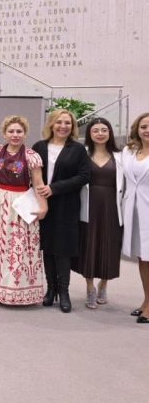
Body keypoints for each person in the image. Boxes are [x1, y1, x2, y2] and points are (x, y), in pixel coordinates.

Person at [0, 116, 47, 306]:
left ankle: (17, 291)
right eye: (11, 131)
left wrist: (43, 206)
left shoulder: (31, 156)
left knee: (18, 246)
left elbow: (39, 183)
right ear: (4, 133)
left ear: (25, 134)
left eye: (19, 131)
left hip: (21, 202)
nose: (15, 135)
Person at [32, 109, 90, 313]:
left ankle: (64, 292)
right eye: (59, 122)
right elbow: (29, 169)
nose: (63, 126)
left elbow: (84, 176)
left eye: (67, 123)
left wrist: (54, 188)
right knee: (47, 247)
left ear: (73, 127)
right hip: (42, 204)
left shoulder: (78, 149)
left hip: (66, 205)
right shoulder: (39, 146)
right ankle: (51, 290)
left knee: (63, 249)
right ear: (51, 124)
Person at [73, 118, 123, 309]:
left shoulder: (121, 156)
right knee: (89, 246)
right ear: (89, 134)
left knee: (109, 246)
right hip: (89, 205)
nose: (100, 133)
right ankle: (89, 287)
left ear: (110, 132)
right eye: (96, 130)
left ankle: (104, 283)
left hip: (112, 206)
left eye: (104, 130)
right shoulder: (83, 154)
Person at [121, 112, 149, 324]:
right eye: (144, 126)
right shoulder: (129, 151)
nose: (147, 130)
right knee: (143, 258)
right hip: (135, 211)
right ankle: (146, 300)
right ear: (137, 129)